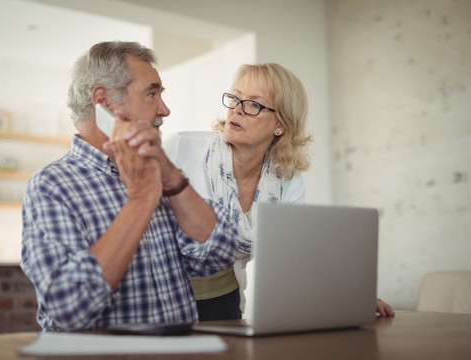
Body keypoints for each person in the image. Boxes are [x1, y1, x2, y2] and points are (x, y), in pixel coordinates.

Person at [20, 41, 238, 331]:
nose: (165, 109)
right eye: (151, 93)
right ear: (104, 102)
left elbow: (218, 256)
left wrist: (172, 180)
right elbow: (70, 307)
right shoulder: (52, 186)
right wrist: (140, 198)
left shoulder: (159, 173)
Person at [163, 63, 395, 320]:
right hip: (163, 294)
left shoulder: (287, 178)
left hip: (223, 299)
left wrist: (350, 295)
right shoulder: (180, 148)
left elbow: (294, 257)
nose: (237, 109)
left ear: (280, 125)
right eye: (236, 98)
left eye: (254, 104)